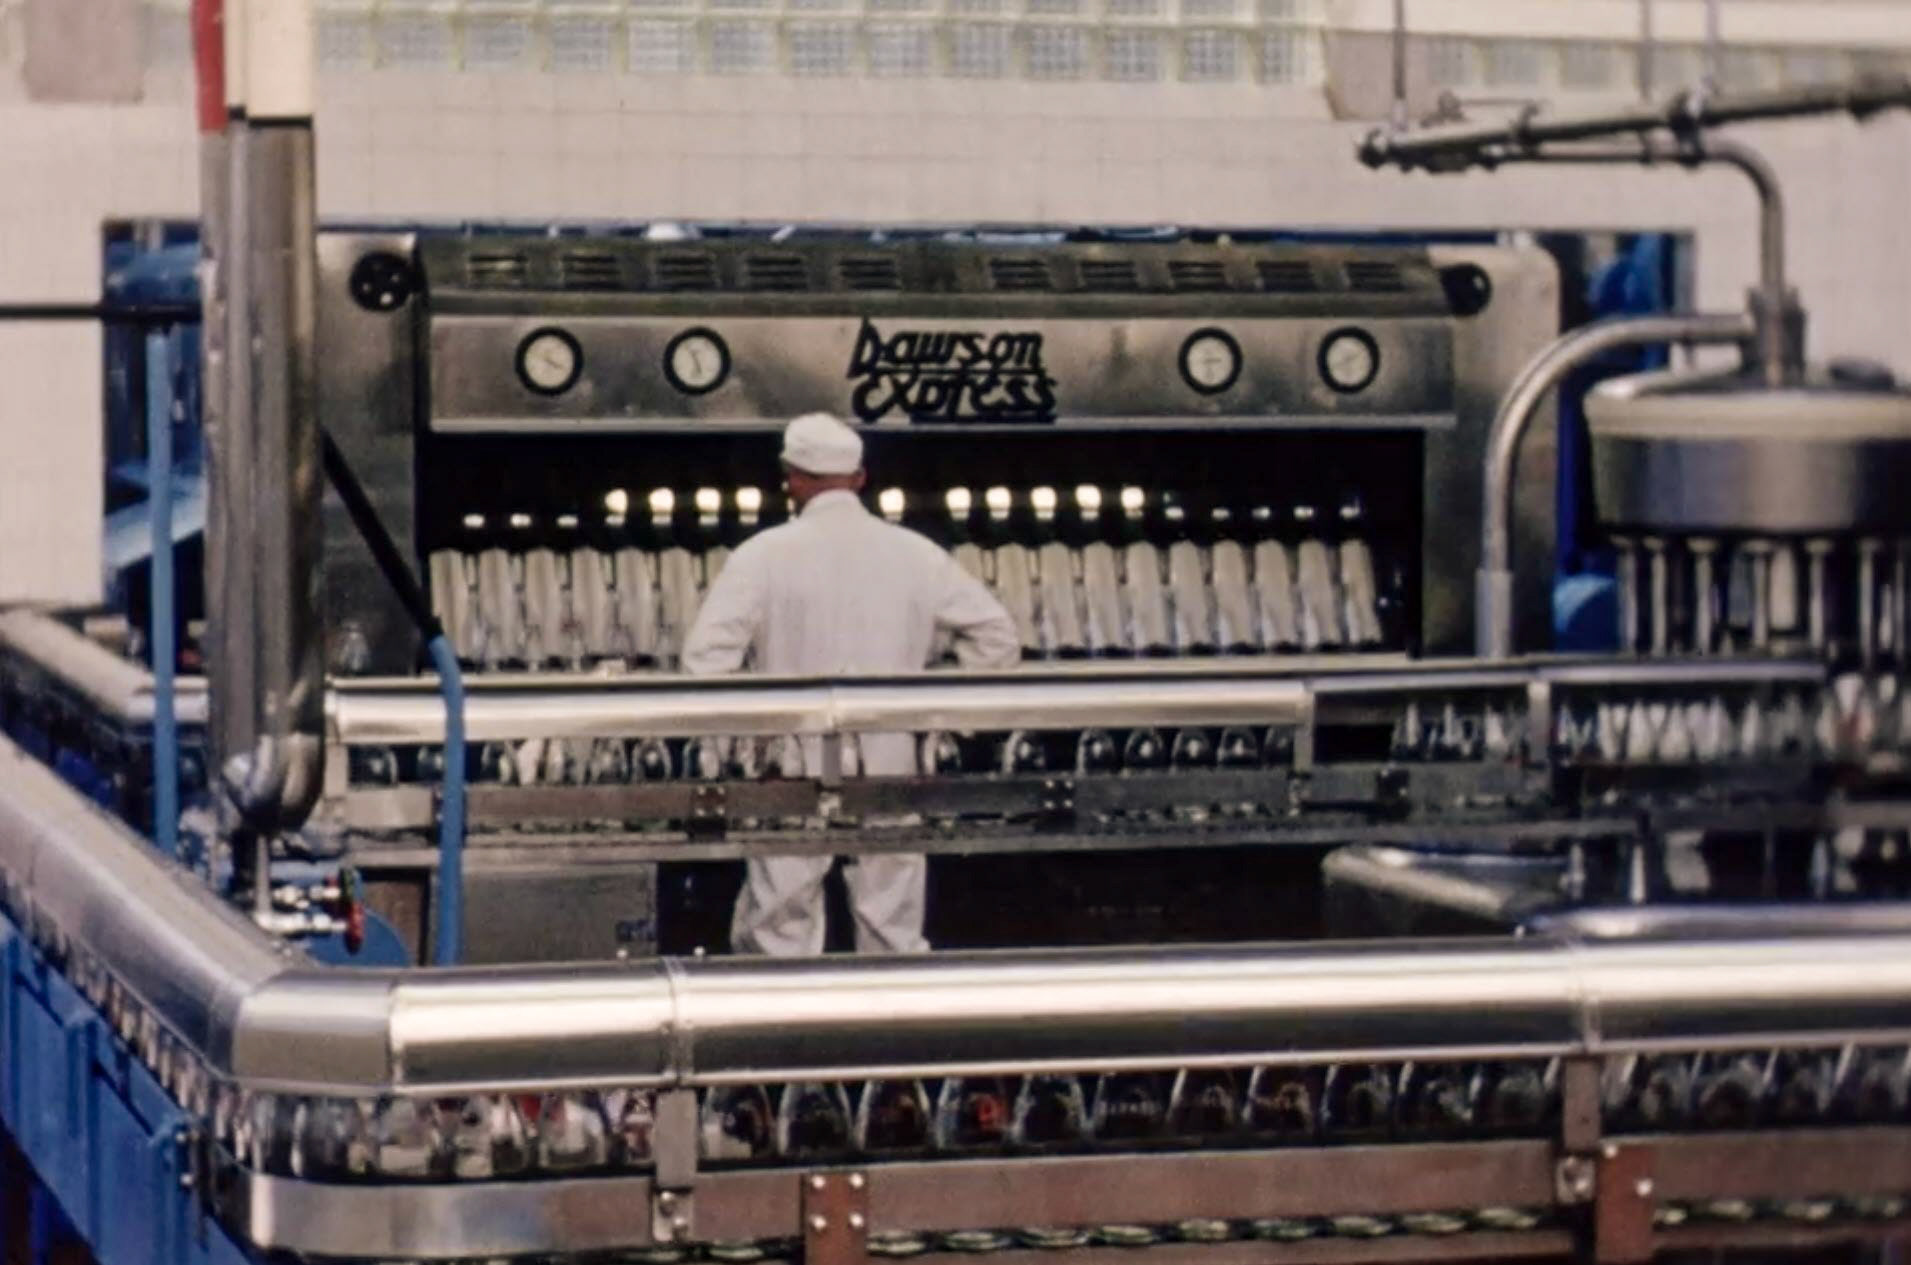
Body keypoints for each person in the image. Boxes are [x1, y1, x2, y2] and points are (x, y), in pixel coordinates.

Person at [682, 412, 1021, 956]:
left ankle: (776, 1009)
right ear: (860, 478)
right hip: (891, 756)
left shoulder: (761, 555)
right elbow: (996, 637)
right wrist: (945, 720)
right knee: (891, 925)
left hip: (790, 761)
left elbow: (704, 662)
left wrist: (739, 742)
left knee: (780, 923)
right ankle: (890, 1008)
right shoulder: (915, 553)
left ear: (791, 478)